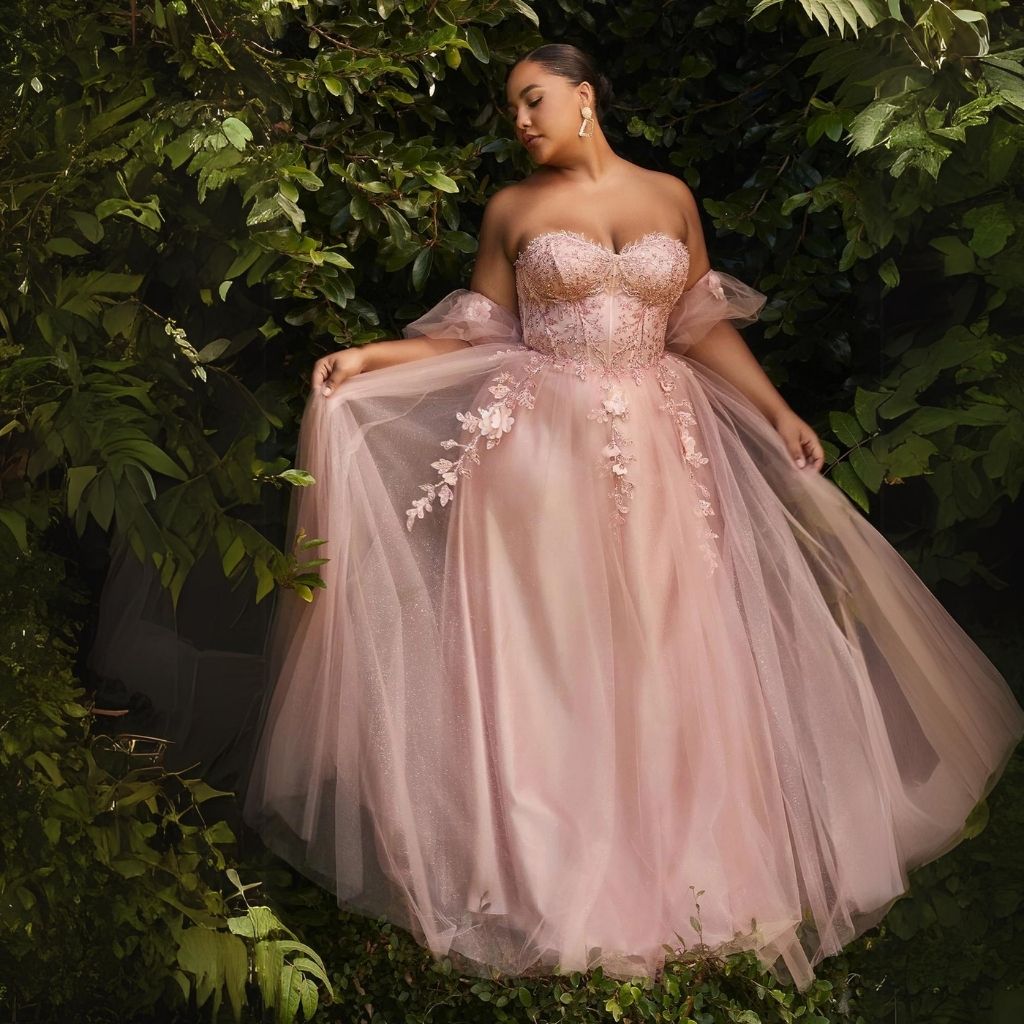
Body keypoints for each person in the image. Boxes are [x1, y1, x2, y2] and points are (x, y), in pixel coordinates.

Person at [241, 43, 1024, 993]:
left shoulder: (669, 196)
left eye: (533, 101)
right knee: (551, 649)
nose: (519, 122)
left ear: (583, 97)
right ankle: (546, 873)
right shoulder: (513, 209)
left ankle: (680, 869)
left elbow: (699, 324)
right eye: (511, 108)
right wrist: (369, 359)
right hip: (535, 457)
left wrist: (778, 412)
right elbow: (476, 332)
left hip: (659, 450)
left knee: (666, 640)